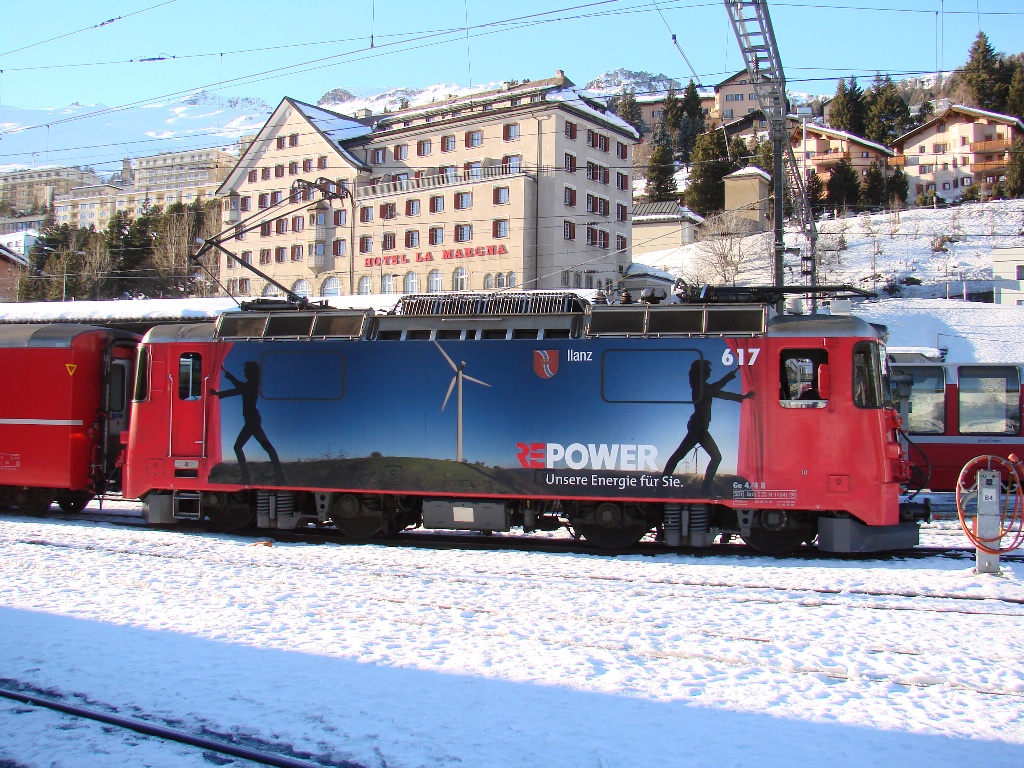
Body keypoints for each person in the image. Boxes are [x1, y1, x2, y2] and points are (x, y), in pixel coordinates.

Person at [662, 359, 754, 493]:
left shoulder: (703, 387)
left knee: (681, 456)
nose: (710, 371)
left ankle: (663, 487)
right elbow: (719, 388)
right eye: (708, 370)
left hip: (699, 427)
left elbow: (721, 393)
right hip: (697, 428)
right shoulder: (700, 387)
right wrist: (736, 371)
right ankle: (699, 489)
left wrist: (742, 396)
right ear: (702, 372)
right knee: (689, 456)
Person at [210, 361, 285, 485]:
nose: (244, 372)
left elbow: (238, 387)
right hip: (252, 420)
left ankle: (248, 478)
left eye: (246, 370)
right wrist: (219, 391)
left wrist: (224, 373)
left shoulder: (252, 384)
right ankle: (279, 478)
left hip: (252, 421)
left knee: (239, 447)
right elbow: (237, 389)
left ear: (251, 372)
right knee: (267, 448)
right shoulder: (251, 384)